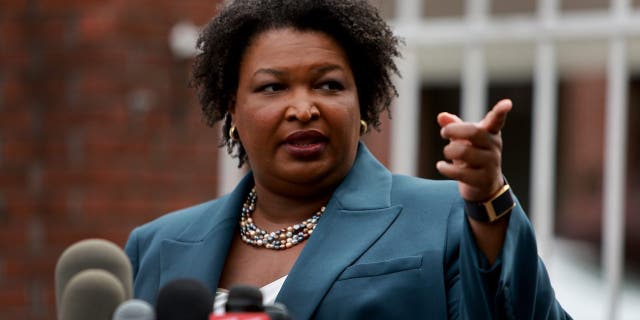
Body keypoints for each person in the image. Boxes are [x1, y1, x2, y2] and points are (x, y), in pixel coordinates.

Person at [125, 0, 571, 319]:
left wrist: (490, 202)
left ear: (363, 105)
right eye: (272, 88)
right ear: (232, 110)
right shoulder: (156, 245)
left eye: (329, 85)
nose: (303, 108)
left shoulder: (445, 216)